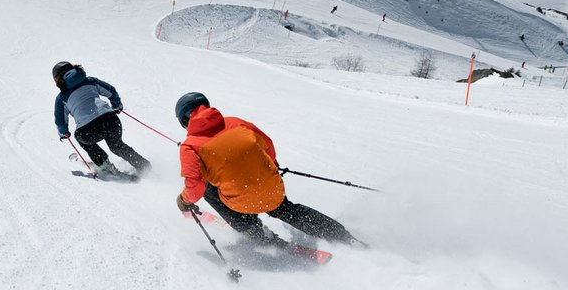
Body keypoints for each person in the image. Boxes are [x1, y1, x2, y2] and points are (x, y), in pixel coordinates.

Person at [172, 92, 361, 247]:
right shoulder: (237, 122)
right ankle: (342, 236)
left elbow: (194, 187)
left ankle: (254, 232)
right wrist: (272, 165)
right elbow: (267, 146)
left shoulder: (190, 146)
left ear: (183, 120)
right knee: (286, 209)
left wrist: (184, 200)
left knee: (209, 190)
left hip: (238, 203)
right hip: (272, 191)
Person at [52, 61, 150, 175]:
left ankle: (105, 165)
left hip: (88, 131)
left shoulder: (61, 98)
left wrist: (64, 133)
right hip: (110, 120)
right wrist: (117, 105)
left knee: (79, 137)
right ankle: (143, 165)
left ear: (58, 79)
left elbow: (60, 121)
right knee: (116, 146)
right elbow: (111, 91)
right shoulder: (90, 81)